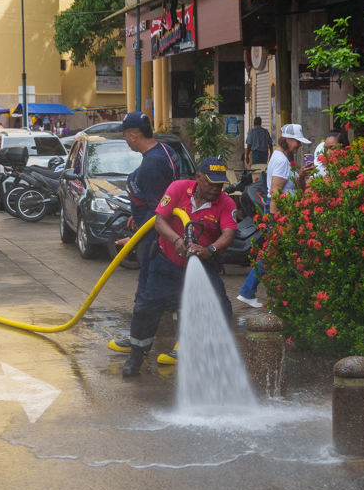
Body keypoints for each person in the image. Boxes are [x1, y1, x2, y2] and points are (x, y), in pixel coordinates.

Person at [122, 158, 238, 376]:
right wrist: (177, 240)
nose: (216, 189)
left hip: (201, 265)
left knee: (221, 307)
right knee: (146, 309)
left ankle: (215, 358)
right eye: (211, 183)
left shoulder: (226, 203)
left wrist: (209, 250)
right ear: (198, 177)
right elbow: (159, 221)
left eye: (220, 184)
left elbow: (228, 235)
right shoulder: (178, 188)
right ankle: (136, 354)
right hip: (167, 263)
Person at [108, 112, 182, 355]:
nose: (125, 140)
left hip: (154, 238)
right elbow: (160, 199)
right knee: (166, 291)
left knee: (150, 292)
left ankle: (140, 343)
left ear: (133, 135)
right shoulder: (166, 150)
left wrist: (135, 237)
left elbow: (157, 209)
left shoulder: (152, 163)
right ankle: (149, 339)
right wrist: (136, 214)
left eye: (125, 136)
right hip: (158, 232)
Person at [236, 123, 312, 309]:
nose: (299, 146)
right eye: (297, 142)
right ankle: (248, 292)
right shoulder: (280, 160)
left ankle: (277, 293)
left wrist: (300, 176)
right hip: (280, 215)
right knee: (271, 254)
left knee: (278, 254)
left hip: (285, 214)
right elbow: (275, 190)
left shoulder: (283, 158)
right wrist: (276, 219)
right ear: (287, 140)